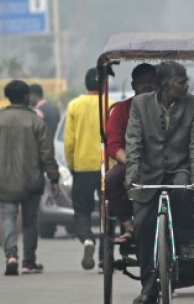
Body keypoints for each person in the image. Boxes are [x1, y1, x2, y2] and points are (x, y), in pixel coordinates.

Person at [126, 62, 194, 304]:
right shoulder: (140, 105)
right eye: (181, 81)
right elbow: (134, 142)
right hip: (147, 173)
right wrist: (132, 174)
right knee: (142, 228)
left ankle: (183, 241)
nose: (186, 85)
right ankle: (148, 288)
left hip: (179, 170)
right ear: (165, 85)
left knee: (183, 190)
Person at [0, 80, 59, 275]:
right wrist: (54, 178)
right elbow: (47, 153)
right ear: (26, 97)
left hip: (3, 180)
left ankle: (11, 256)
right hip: (31, 180)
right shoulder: (36, 122)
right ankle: (28, 261)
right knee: (30, 220)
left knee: (7, 216)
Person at [104, 63, 157, 244]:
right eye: (142, 82)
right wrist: (131, 162)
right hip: (132, 162)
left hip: (166, 162)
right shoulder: (122, 110)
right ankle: (129, 226)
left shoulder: (169, 107)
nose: (147, 86)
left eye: (151, 82)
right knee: (111, 179)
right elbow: (113, 145)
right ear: (134, 85)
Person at [64, 68, 106, 270]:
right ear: (104, 84)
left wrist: (72, 165)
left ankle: (87, 239)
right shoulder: (111, 105)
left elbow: (69, 142)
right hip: (107, 167)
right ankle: (103, 258)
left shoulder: (74, 105)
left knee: (82, 209)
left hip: (81, 166)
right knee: (108, 212)